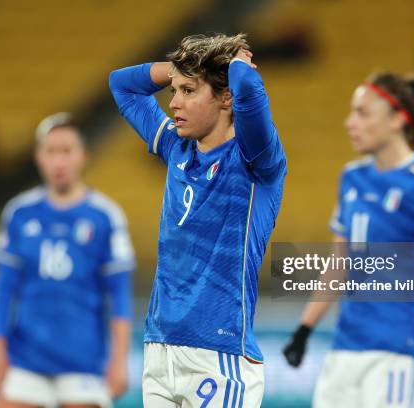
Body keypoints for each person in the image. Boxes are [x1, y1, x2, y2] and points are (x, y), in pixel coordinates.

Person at [109, 33, 286, 407]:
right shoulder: (177, 146)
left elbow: (250, 93)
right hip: (160, 350)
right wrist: (180, 69)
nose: (174, 103)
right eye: (175, 90)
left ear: (225, 98)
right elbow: (121, 85)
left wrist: (236, 64)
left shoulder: (256, 160)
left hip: (218, 356)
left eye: (189, 91)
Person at [283, 72, 414, 407]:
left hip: (398, 349)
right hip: (345, 348)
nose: (350, 122)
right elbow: (339, 264)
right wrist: (304, 329)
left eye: (363, 113)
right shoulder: (351, 177)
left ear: (397, 119)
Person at [0, 112, 135, 408]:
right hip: (26, 359)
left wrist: (119, 361)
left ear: (83, 156)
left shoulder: (105, 216)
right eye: (51, 151)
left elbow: (120, 296)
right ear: (38, 157)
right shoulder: (19, 213)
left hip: (84, 362)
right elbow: (4, 290)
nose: (59, 161)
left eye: (66, 151)